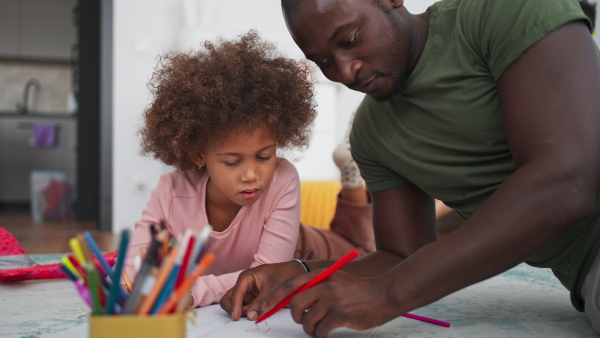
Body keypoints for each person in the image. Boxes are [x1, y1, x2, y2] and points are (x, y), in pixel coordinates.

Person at [220, 0, 600, 336]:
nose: (346, 72)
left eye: (349, 39)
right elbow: (401, 256)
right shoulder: (372, 133)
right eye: (322, 62)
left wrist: (389, 295)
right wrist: (302, 273)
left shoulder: (504, 11)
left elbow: (568, 180)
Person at [123, 30, 374, 309]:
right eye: (232, 162)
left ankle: (351, 178)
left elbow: (266, 276)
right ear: (198, 154)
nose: (252, 174)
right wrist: (134, 290)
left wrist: (192, 291)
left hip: (313, 255)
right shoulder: (170, 191)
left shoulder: (282, 177)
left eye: (265, 156)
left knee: (367, 256)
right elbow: (134, 267)